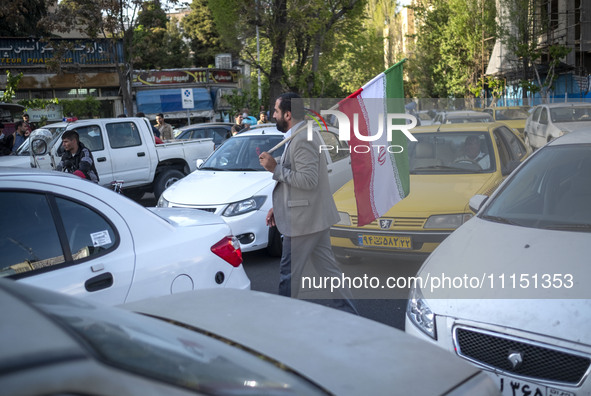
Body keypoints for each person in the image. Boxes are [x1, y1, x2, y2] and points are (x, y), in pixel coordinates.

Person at [258, 92, 358, 315]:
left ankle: (283, 321)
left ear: (288, 114)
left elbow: (308, 180)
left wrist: (275, 168)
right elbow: (300, 179)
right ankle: (352, 317)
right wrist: (279, 205)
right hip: (312, 217)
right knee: (330, 273)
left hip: (303, 222)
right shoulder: (301, 134)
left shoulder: (303, 138)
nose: (273, 115)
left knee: (289, 274)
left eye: (275, 111)